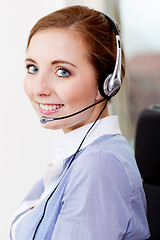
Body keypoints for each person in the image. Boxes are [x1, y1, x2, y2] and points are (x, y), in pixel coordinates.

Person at [10, 5, 150, 240]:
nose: (39, 89)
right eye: (32, 68)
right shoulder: (76, 155)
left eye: (62, 71)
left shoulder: (98, 165)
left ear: (106, 84)